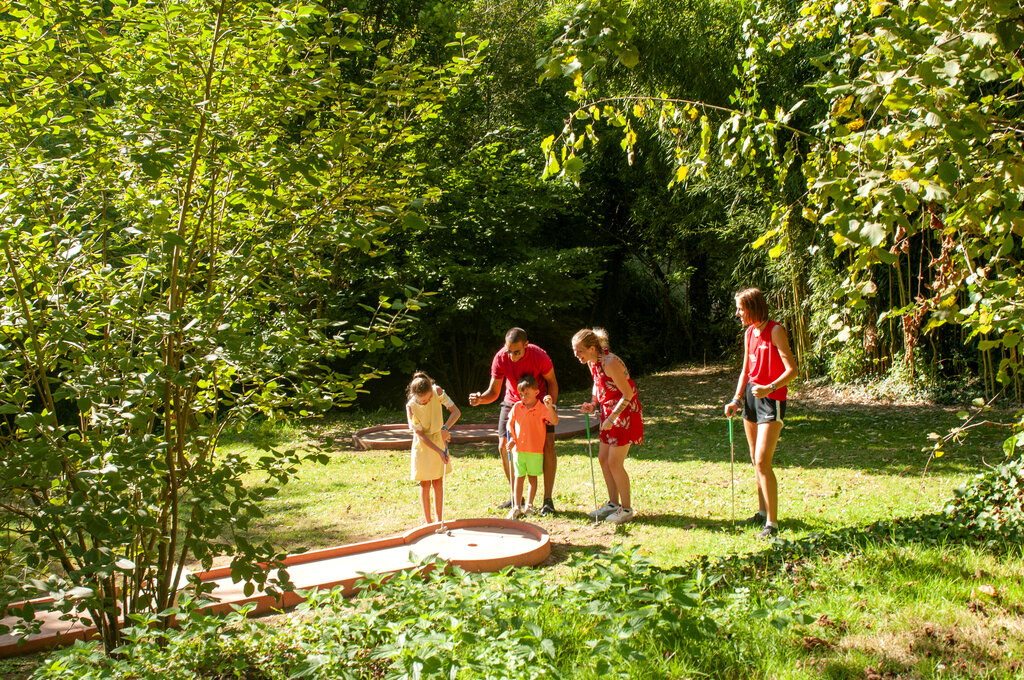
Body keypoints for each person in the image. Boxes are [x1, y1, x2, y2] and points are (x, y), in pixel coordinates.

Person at [724, 287, 798, 539]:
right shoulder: (749, 333)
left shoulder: (775, 330)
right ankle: (761, 513)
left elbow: (793, 370)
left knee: (763, 461)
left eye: (740, 308)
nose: (738, 313)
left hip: (771, 400)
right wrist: (735, 398)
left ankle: (772, 524)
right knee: (755, 461)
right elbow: (746, 370)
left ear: (753, 307)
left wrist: (770, 387)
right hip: (750, 400)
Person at [469, 327, 560, 515]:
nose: (511, 356)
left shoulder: (539, 355)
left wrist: (551, 406)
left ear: (526, 345)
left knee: (548, 445)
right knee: (503, 445)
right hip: (512, 401)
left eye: (516, 352)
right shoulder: (501, 357)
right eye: (508, 350)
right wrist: (480, 399)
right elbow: (493, 392)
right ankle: (516, 498)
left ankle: (547, 501)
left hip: (538, 400)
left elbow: (552, 381)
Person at [571, 328, 643, 525]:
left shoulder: (610, 362)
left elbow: (628, 394)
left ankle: (626, 509)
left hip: (624, 411)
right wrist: (593, 403)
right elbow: (597, 383)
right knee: (603, 459)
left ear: (592, 348)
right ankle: (612, 503)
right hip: (608, 412)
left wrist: (611, 418)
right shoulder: (593, 362)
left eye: (579, 351)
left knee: (614, 462)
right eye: (575, 351)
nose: (576, 356)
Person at [406, 371, 461, 525]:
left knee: (438, 481)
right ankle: (428, 523)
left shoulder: (437, 391)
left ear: (431, 390)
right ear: (415, 396)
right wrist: (438, 451)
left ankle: (439, 520)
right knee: (425, 483)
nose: (426, 402)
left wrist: (445, 428)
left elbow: (456, 412)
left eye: (428, 399)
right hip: (423, 445)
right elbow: (420, 434)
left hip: (438, 439)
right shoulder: (410, 407)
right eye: (422, 400)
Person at [506, 375, 559, 519]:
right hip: (519, 450)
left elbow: (554, 421)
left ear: (537, 392)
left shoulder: (542, 408)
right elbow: (509, 423)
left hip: (535, 451)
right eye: (521, 394)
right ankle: (517, 506)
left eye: (526, 394)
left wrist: (549, 406)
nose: (523, 397)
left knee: (532, 479)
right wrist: (512, 438)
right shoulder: (517, 407)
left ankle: (529, 505)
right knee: (519, 477)